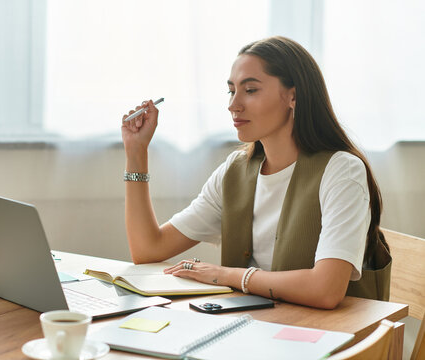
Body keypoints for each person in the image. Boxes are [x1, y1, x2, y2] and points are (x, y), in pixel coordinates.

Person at [120, 36, 391, 309]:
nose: (233, 105)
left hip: (330, 338)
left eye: (250, 90)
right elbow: (148, 250)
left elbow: (326, 290)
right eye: (231, 91)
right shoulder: (235, 171)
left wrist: (224, 275)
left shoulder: (341, 170)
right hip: (257, 326)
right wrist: (136, 153)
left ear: (293, 96)